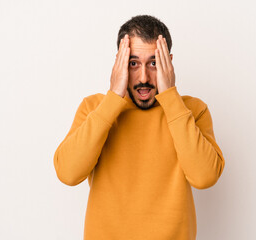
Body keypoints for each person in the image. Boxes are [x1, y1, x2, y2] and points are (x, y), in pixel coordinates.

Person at [53, 14, 225, 240]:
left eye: (154, 63)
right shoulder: (95, 108)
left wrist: (171, 99)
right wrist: (113, 97)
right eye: (133, 63)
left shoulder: (191, 110)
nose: (143, 77)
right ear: (119, 63)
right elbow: (68, 173)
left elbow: (205, 177)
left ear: (169, 63)